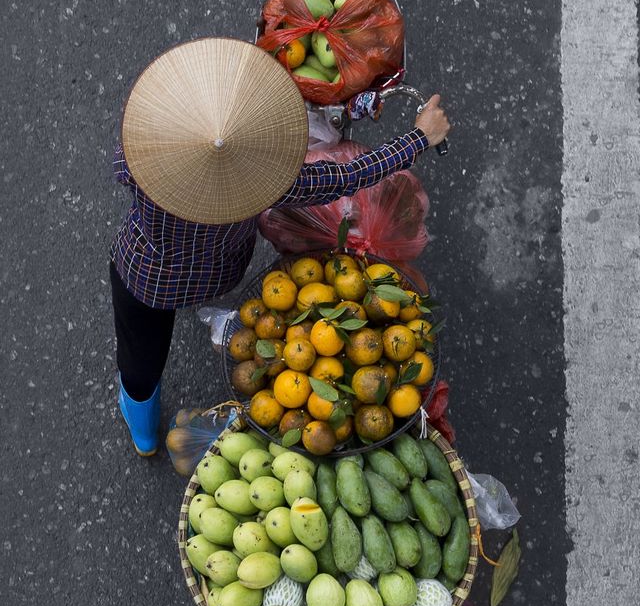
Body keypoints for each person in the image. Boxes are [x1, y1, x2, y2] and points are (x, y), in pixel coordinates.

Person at [110, 38, 450, 456]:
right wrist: (418, 138)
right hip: (219, 270)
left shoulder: (140, 159)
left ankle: (144, 435)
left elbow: (120, 168)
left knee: (140, 356)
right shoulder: (266, 183)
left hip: (148, 275)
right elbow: (346, 176)